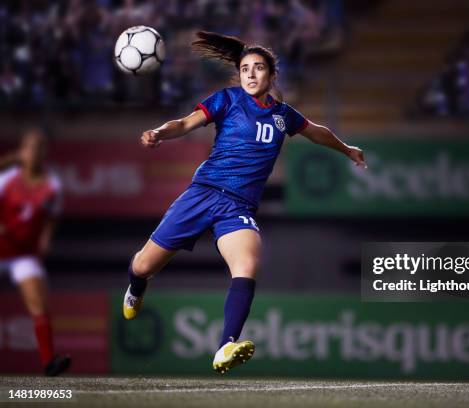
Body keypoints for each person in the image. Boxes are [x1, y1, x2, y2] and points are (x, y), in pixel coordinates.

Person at [122, 30, 367, 374]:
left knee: (247, 266)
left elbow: (316, 131)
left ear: (271, 75)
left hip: (238, 207)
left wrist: (347, 148)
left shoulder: (284, 115)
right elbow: (185, 123)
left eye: (258, 68)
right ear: (239, 75)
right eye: (246, 68)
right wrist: (161, 132)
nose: (251, 74)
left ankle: (225, 346)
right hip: (202, 194)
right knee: (144, 266)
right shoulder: (227, 100)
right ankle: (136, 287)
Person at [0, 129, 71, 376]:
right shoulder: (7, 179)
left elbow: (52, 217)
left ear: (45, 154)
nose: (34, 153)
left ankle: (49, 362)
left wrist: (46, 236)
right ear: (22, 151)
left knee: (38, 303)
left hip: (23, 253)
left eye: (40, 148)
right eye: (30, 147)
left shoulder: (52, 186)